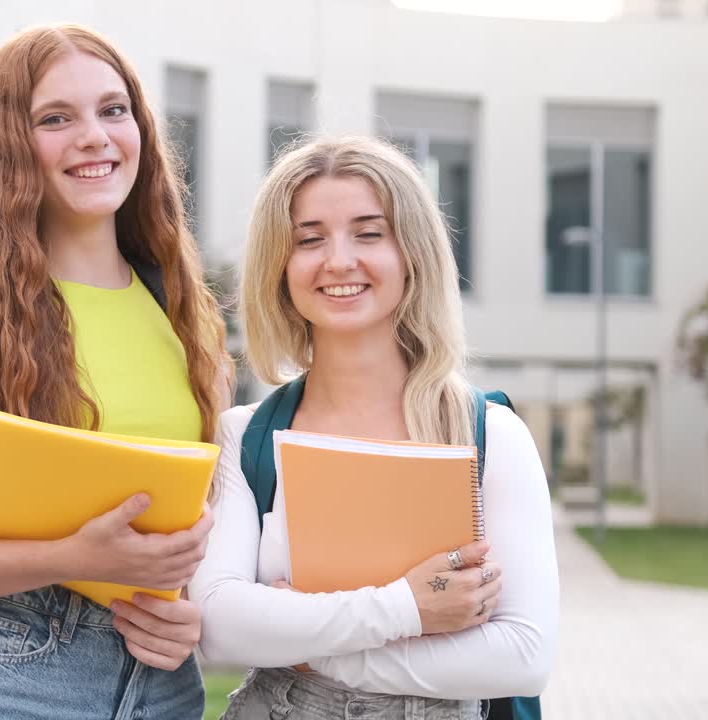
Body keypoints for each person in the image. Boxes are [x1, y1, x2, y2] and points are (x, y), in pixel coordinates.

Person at [0, 23, 230, 720]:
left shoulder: (183, 318)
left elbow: (196, 528)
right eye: (57, 118)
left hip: (158, 685)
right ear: (10, 147)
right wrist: (73, 554)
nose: (94, 136)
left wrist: (188, 615)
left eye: (113, 110)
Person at [189, 135, 558, 719]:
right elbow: (220, 627)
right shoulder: (246, 435)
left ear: (411, 253)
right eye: (309, 238)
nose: (338, 260)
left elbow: (523, 654)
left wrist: (318, 653)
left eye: (369, 233)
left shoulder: (489, 434)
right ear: (279, 265)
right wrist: (409, 607)